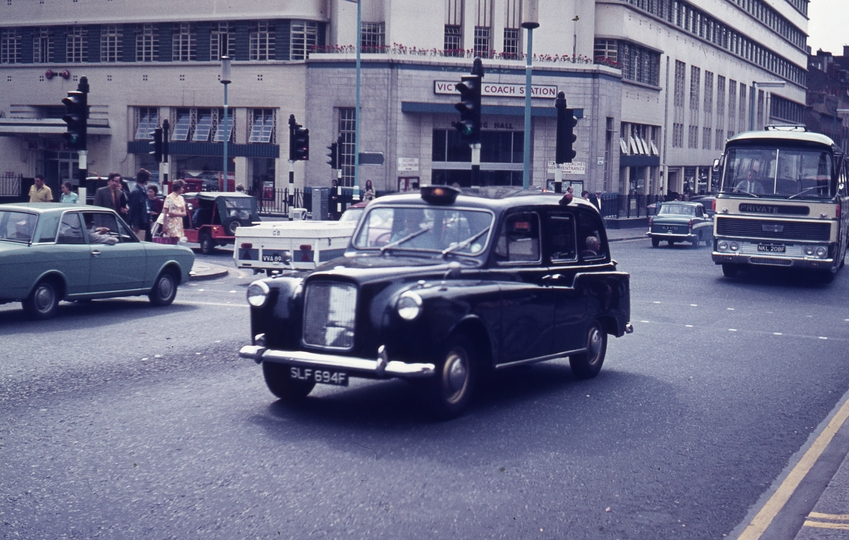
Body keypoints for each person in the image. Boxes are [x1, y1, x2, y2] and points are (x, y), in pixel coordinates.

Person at [155, 179, 187, 243]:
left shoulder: (181, 198)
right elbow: (165, 212)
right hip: (170, 222)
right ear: (178, 188)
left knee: (177, 240)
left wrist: (175, 214)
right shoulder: (169, 197)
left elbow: (184, 213)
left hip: (178, 222)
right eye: (182, 187)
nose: (183, 189)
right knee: (170, 240)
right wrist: (164, 226)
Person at [127, 168, 151, 241]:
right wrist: (135, 224)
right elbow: (134, 209)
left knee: (147, 240)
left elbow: (146, 205)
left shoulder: (144, 190)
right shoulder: (136, 192)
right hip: (140, 221)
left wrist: (150, 218)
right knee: (140, 240)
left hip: (145, 219)